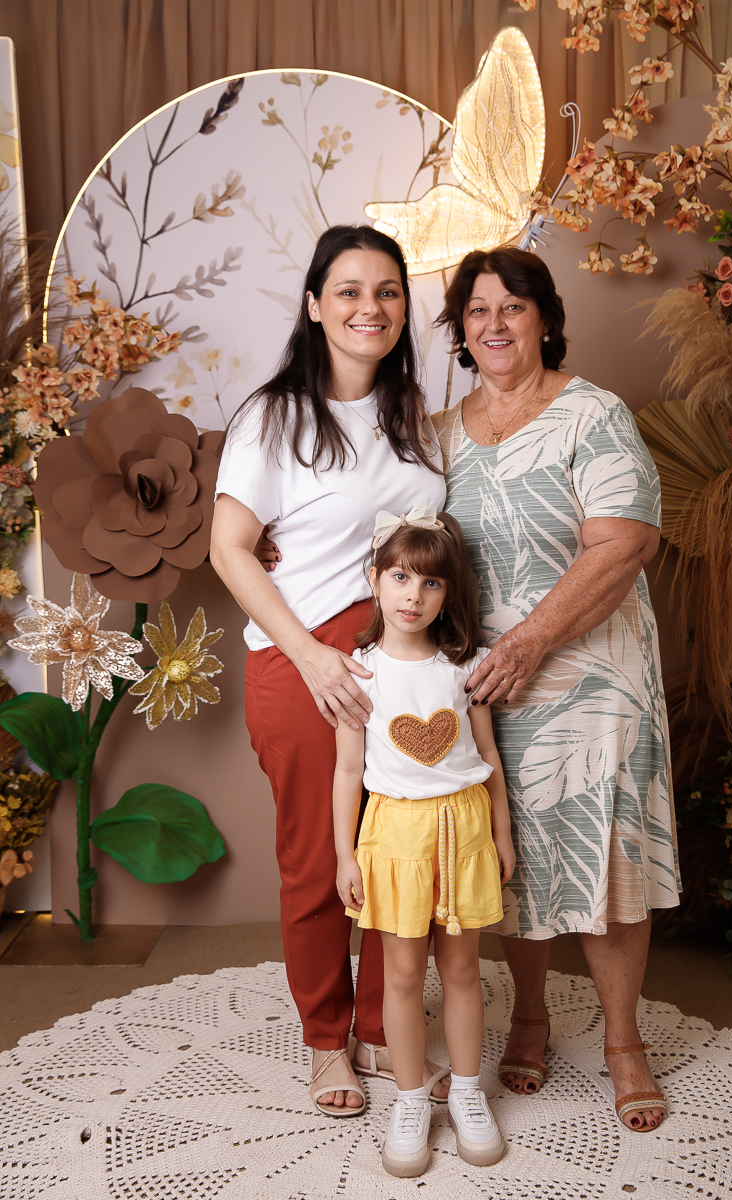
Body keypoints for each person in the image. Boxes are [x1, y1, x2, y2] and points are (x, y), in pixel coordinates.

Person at [432, 247, 680, 1133]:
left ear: (544, 318)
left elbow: (624, 543)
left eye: (512, 306)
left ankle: (623, 1041)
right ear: (460, 331)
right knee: (513, 857)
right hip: (487, 683)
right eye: (477, 310)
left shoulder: (591, 413)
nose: (494, 324)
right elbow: (390, 534)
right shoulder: (437, 432)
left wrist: (531, 640)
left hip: (593, 675)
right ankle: (529, 1019)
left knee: (603, 857)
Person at [210, 225, 448, 1116]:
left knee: (397, 853)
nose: (368, 308)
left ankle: (382, 1028)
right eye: (347, 290)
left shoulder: (411, 413)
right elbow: (230, 548)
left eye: (386, 291)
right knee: (319, 863)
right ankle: (325, 1043)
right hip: (305, 661)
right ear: (314, 304)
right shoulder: (272, 417)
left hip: (400, 665)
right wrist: (311, 656)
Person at [333, 504, 515, 1177]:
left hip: (462, 828)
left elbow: (488, 756)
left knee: (463, 971)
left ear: (448, 593)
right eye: (401, 577)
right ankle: (411, 1100)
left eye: (431, 582)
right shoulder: (358, 673)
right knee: (403, 975)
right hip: (394, 835)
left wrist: (500, 833)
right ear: (375, 580)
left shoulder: (466, 667)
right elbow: (347, 771)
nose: (414, 595)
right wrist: (344, 854)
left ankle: (466, 1092)